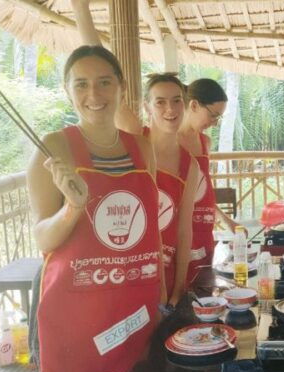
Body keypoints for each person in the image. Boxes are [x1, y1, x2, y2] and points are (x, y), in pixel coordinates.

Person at [28, 45, 165, 372]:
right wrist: (73, 208)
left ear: (121, 87)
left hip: (134, 307)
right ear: (67, 90)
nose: (94, 94)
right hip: (76, 315)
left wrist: (161, 295)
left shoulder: (142, 148)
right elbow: (42, 238)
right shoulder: (54, 148)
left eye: (104, 82)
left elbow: (151, 229)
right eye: (81, 84)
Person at [72, 0, 200, 306]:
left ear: (185, 105)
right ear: (147, 106)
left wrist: (178, 290)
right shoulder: (134, 138)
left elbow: (185, 232)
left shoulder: (190, 165)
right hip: (127, 270)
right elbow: (103, 66)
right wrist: (81, 11)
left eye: (176, 101)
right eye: (160, 102)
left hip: (166, 276)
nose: (169, 109)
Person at [179, 78, 240, 285]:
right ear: (194, 105)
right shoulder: (166, 141)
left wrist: (226, 220)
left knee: (203, 285)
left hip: (204, 231)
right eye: (213, 115)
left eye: (218, 118)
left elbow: (204, 193)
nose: (214, 122)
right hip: (178, 232)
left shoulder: (205, 142)